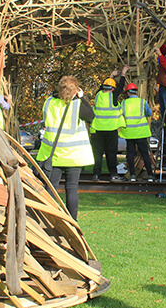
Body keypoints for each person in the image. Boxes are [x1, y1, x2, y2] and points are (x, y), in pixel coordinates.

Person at [35, 76, 94, 220]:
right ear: (75, 90)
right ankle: (72, 221)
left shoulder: (49, 102)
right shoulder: (77, 104)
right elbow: (91, 116)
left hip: (53, 154)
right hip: (74, 155)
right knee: (71, 188)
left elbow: (46, 119)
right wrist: (81, 98)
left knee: (51, 188)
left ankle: (46, 218)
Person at [89, 66, 128, 182]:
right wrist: (123, 74)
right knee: (111, 154)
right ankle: (113, 175)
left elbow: (101, 87)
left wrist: (111, 75)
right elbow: (120, 87)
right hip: (111, 130)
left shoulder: (98, 95)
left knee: (98, 154)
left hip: (97, 130)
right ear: (112, 88)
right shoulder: (113, 95)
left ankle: (96, 175)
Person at [120, 82, 155, 182]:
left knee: (130, 155)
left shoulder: (124, 103)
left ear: (128, 93)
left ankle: (132, 176)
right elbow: (149, 113)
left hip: (129, 133)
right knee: (145, 154)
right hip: (141, 133)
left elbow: (121, 115)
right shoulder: (142, 102)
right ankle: (150, 175)